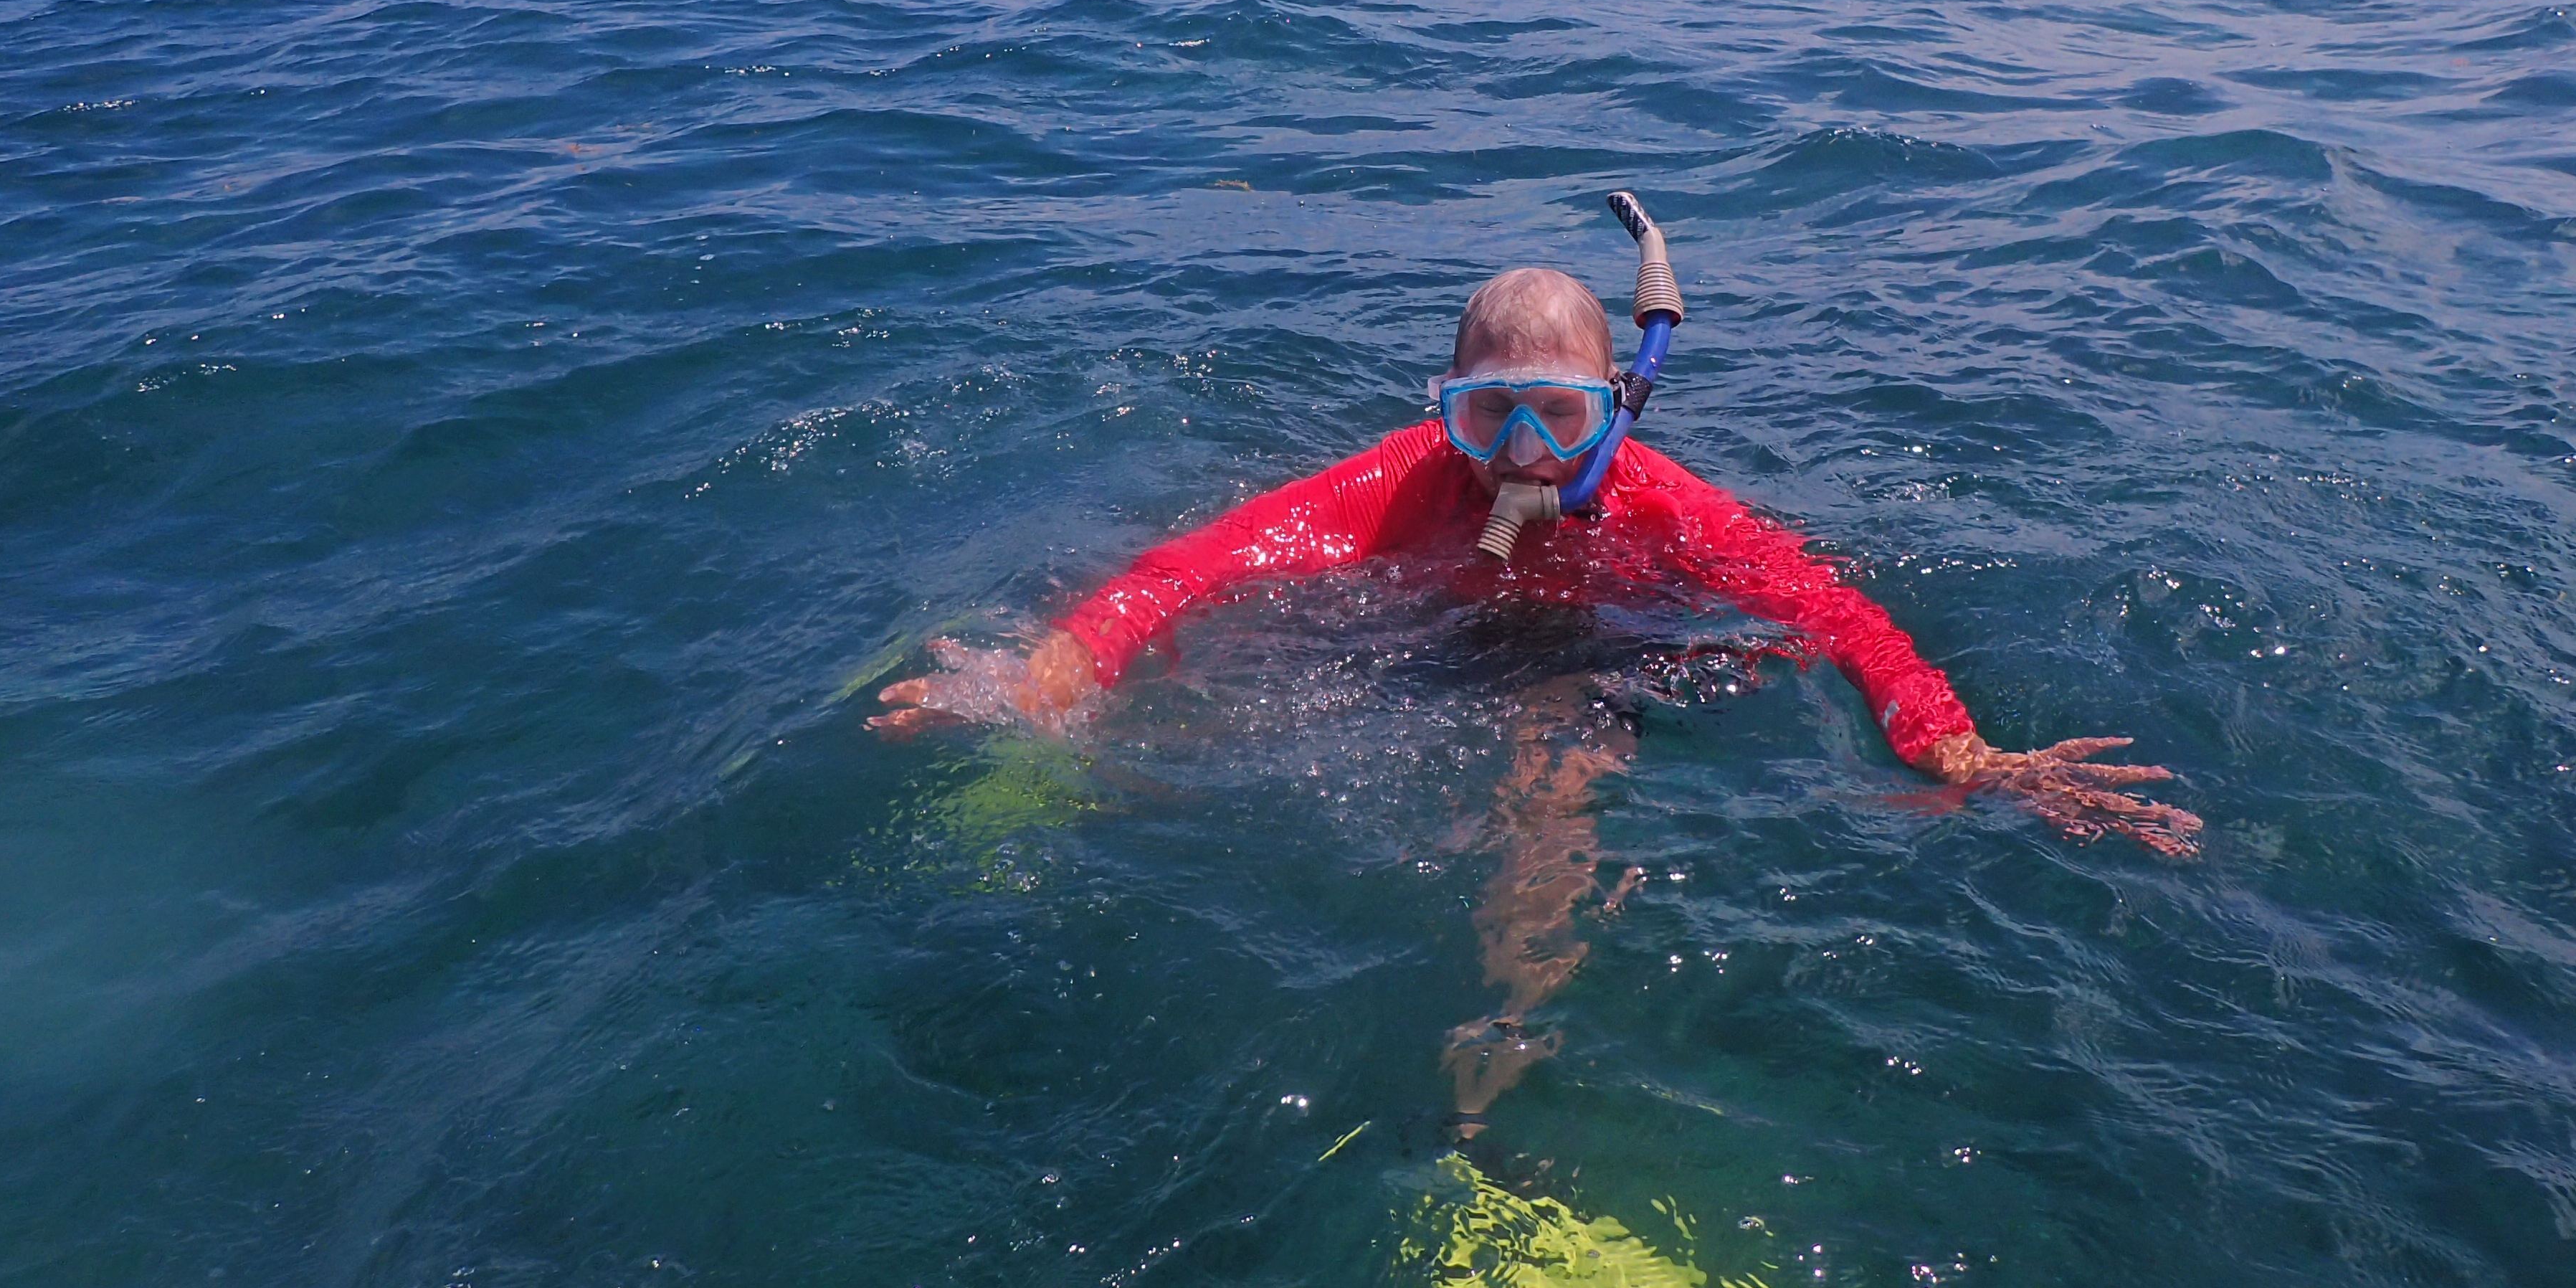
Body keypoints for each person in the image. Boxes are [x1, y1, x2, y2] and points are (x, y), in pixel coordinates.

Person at [873, 265, 2200, 1131]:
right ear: (1444, 412)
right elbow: (1197, 567)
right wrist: (1061, 667)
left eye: (1555, 419)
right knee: (1206, 737)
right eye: (1488, 416)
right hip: (1429, 639)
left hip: (1598, 655)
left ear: (1611, 408)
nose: (1520, 455)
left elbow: (1842, 619)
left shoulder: (1666, 506)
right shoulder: (1400, 482)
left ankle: (1485, 1108)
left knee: (1544, 812)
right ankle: (1043, 784)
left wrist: (1954, 747)